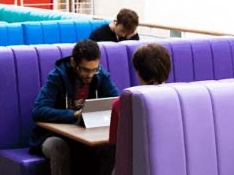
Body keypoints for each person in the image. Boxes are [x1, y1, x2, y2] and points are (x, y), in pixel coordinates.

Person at [29, 40, 119, 175]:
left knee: (111, 147)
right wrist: (74, 115)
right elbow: (39, 111)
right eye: (85, 70)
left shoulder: (100, 76)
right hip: (51, 135)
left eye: (94, 69)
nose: (90, 75)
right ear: (73, 63)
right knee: (58, 147)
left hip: (86, 135)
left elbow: (116, 102)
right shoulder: (57, 77)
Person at [109, 44, 171, 144]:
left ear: (138, 72)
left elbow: (114, 144)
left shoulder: (122, 104)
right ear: (168, 70)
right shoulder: (181, 100)